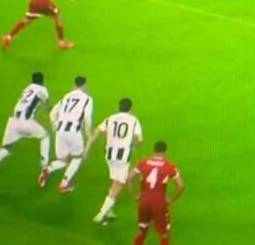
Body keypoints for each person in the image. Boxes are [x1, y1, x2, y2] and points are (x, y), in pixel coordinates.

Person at [0, 72, 50, 187]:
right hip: (26, 122)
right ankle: (44, 168)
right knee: (45, 136)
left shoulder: (27, 89)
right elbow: (47, 105)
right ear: (42, 81)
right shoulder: (43, 90)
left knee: (5, 149)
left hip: (13, 121)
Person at [84, 97, 143, 225]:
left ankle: (110, 211)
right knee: (118, 185)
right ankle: (101, 214)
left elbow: (96, 132)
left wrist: (87, 148)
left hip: (110, 155)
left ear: (119, 107)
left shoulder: (110, 118)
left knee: (114, 181)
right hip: (123, 157)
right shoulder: (133, 120)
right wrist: (136, 146)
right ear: (130, 108)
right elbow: (140, 140)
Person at [38, 76, 93, 193]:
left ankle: (49, 169)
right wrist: (88, 133)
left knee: (62, 160)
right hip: (74, 132)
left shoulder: (66, 96)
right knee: (77, 157)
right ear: (85, 85)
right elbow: (87, 117)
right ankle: (64, 183)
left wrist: (55, 127)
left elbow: (52, 114)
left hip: (60, 131)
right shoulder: (87, 99)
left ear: (74, 84)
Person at [128, 141, 184, 245]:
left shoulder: (143, 163)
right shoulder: (169, 166)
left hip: (144, 201)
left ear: (154, 150)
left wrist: (135, 195)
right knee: (164, 234)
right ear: (165, 151)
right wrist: (171, 199)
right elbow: (180, 185)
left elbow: (129, 178)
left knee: (142, 231)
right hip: (159, 202)